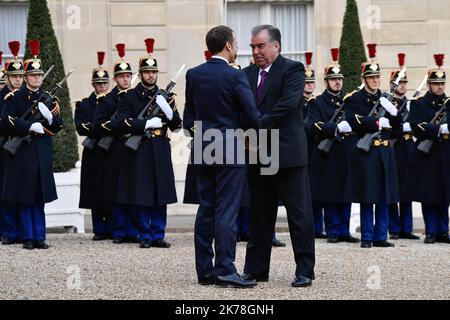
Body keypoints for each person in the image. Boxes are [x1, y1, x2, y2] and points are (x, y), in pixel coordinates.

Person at [184, 25, 259, 288]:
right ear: (227, 45)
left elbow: (188, 118)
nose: (237, 48)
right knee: (227, 210)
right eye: (236, 43)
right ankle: (225, 269)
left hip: (204, 147)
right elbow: (252, 114)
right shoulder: (234, 76)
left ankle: (204, 271)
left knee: (207, 209)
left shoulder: (194, 75)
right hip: (229, 148)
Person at [242, 25, 315, 288]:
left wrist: (255, 125)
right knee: (260, 216)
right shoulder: (247, 73)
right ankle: (255, 269)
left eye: (260, 46)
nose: (256, 51)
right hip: (259, 154)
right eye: (252, 47)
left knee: (299, 215)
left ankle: (305, 269)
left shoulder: (292, 70)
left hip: (287, 155)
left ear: (276, 46)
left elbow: (287, 104)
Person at [115, 38, 181, 249]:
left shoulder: (166, 97)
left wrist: (169, 111)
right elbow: (120, 123)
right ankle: (144, 234)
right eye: (147, 72)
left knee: (160, 192)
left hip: (160, 146)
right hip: (141, 147)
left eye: (154, 72)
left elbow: (178, 125)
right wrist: (144, 123)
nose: (151, 75)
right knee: (142, 192)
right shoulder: (130, 97)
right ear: (140, 74)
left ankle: (158, 233)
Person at [1, 40, 63, 250]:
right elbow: (5, 120)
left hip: (41, 151)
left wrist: (50, 119)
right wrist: (28, 126)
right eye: (33, 75)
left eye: (39, 75)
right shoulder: (14, 97)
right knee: (25, 195)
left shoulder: (50, 100)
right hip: (22, 152)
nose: (36, 78)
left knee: (39, 196)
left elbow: (58, 126)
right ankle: (28, 236)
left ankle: (40, 236)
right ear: (26, 77)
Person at [345, 43, 401, 248]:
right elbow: (353, 120)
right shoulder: (355, 99)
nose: (375, 80)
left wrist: (394, 114)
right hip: (367, 152)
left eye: (377, 77)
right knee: (368, 195)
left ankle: (380, 235)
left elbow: (397, 128)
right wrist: (378, 122)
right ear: (364, 79)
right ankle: (367, 236)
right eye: (371, 77)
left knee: (384, 195)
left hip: (385, 151)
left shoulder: (385, 99)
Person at [307, 48, 359, 244]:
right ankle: (333, 230)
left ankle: (345, 229)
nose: (337, 82)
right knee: (331, 193)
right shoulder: (318, 103)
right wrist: (335, 128)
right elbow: (313, 126)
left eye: (340, 79)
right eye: (333, 79)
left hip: (346, 152)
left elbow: (359, 120)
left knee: (346, 192)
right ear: (326, 82)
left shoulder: (350, 102)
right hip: (328, 154)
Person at [403, 54, 450, 244]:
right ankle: (431, 230)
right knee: (429, 193)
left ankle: (443, 230)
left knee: (445, 193)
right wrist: (438, 129)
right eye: (436, 83)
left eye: (442, 83)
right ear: (429, 84)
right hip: (427, 154)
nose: (440, 87)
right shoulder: (420, 103)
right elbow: (415, 125)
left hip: (446, 153)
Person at [94, 43, 138, 244]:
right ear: (115, 79)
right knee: (118, 190)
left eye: (128, 76)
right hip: (115, 147)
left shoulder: (137, 97)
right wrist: (120, 126)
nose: (126, 79)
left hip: (135, 148)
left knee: (134, 189)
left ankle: (134, 229)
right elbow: (99, 125)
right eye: (122, 76)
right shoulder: (107, 100)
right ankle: (120, 230)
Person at [75, 51, 112, 241]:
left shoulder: (115, 102)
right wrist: (101, 128)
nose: (102, 86)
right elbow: (81, 127)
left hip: (111, 151)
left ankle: (112, 227)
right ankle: (99, 229)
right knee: (95, 190)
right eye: (99, 83)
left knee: (111, 188)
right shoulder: (83, 105)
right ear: (93, 84)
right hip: (93, 151)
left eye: (105, 83)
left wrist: (97, 127)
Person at [387, 53, 420, 240]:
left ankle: (407, 228)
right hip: (394, 146)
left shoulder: (411, 104)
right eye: (399, 83)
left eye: (405, 83)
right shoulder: (387, 104)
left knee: (407, 187)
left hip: (408, 146)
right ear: (393, 85)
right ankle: (394, 227)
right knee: (393, 188)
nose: (403, 86)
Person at [0, 41, 24, 244]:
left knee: (22, 189)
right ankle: (9, 231)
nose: (17, 80)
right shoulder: (2, 97)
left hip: (23, 148)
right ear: (7, 77)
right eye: (14, 76)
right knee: (6, 190)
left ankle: (25, 230)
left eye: (20, 77)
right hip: (4, 147)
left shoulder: (26, 96)